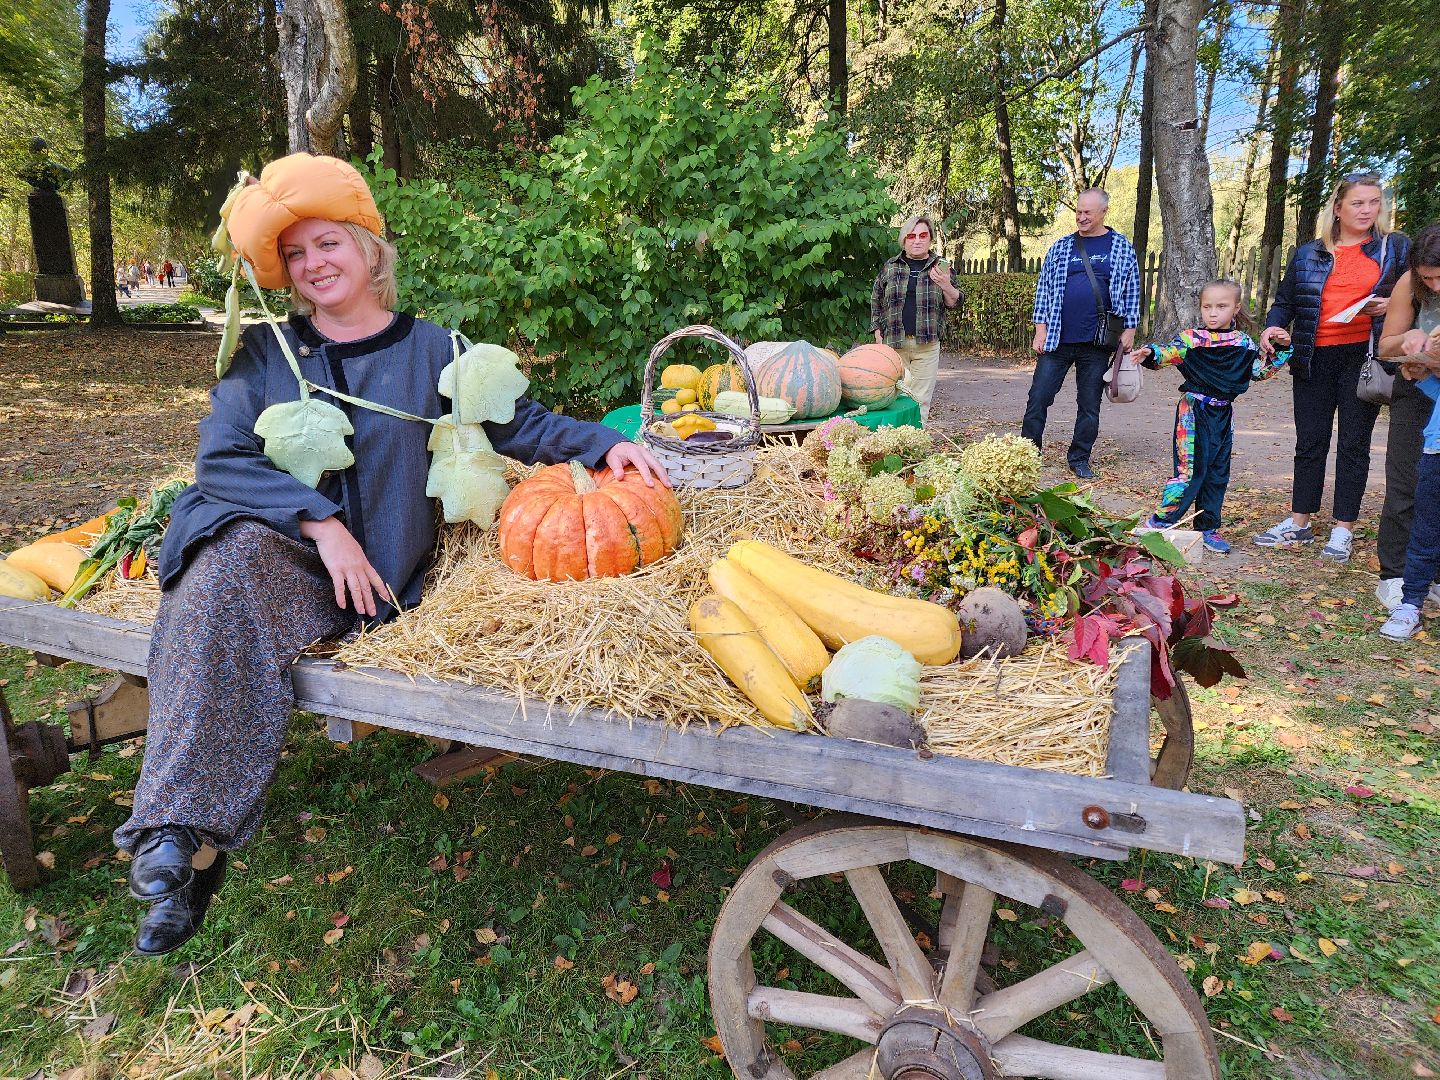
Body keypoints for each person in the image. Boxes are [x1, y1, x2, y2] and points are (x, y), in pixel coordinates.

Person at [112, 153, 670, 957]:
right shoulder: (269, 357)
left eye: (327, 245)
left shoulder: (435, 350)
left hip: (379, 575)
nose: (313, 266)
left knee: (224, 616)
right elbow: (221, 461)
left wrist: (603, 446)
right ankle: (171, 836)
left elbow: (517, 422)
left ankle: (192, 862)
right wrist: (319, 523)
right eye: (297, 256)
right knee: (215, 582)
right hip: (284, 553)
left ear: (370, 250)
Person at [1254, 173, 1410, 559]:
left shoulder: (1394, 249)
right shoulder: (1308, 253)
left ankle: (1343, 529)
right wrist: (1274, 326)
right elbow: (1285, 301)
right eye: (1358, 203)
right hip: (1313, 356)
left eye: (1374, 202)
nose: (1367, 210)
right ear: (1337, 208)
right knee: (1310, 441)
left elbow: (1419, 292)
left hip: (1363, 356)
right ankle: (1299, 522)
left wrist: (1391, 306)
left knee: (1353, 444)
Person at [1133, 280, 1292, 554]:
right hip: (1194, 412)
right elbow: (1166, 352)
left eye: (1222, 306)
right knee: (1190, 471)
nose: (1213, 313)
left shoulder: (1243, 344)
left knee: (1217, 473)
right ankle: (1158, 523)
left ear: (1236, 308)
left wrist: (1282, 348)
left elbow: (1259, 371)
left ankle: (1207, 527)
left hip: (1223, 414)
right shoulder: (1191, 340)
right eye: (1207, 307)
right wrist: (1151, 352)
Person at [1021, 188, 1140, 480]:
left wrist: (1130, 329)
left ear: (1103, 212)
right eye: (1078, 211)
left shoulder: (1121, 247)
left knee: (1089, 404)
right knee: (1038, 398)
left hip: (1097, 342)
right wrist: (1040, 329)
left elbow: (1133, 291)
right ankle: (1027, 456)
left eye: (1088, 212)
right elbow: (1043, 290)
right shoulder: (1061, 247)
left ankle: (1079, 458)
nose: (1081, 217)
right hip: (1056, 340)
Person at [1375, 225, 1440, 638]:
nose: (1434, 284)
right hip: (1418, 390)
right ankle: (1397, 577)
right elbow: (1386, 347)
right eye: (1428, 278)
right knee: (1406, 482)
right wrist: (1409, 341)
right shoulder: (1410, 282)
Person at [869, 214, 963, 423]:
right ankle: (894, 444)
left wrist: (946, 284)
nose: (917, 240)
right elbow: (876, 299)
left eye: (923, 235)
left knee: (920, 400)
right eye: (911, 236)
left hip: (926, 344)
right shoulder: (891, 267)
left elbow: (955, 303)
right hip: (894, 344)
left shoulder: (941, 267)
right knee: (895, 399)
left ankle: (914, 447)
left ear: (930, 239)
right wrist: (877, 330)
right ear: (904, 240)